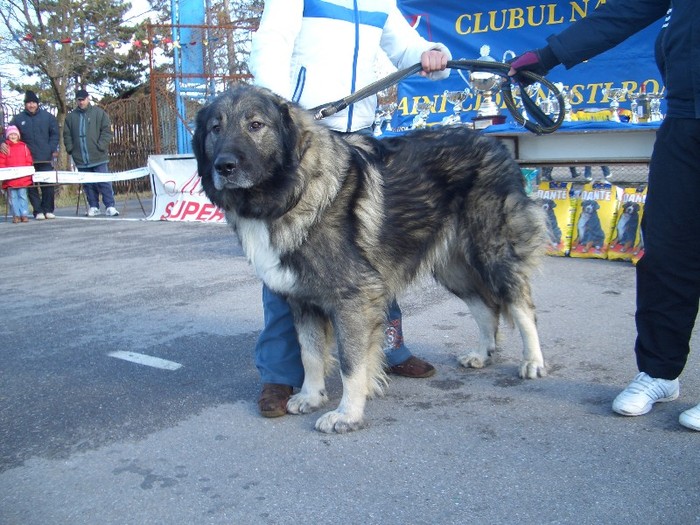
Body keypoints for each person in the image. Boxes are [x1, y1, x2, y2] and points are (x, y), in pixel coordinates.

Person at [248, 0, 451, 417]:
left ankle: (390, 352)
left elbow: (406, 48)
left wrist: (433, 55)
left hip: (359, 135)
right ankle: (281, 373)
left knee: (374, 252)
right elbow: (270, 43)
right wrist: (283, 115)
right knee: (286, 261)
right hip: (306, 136)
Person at [509, 1, 700, 431]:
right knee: (667, 252)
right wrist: (549, 55)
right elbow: (628, 9)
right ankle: (659, 373)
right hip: (685, 116)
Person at [1, 90, 59, 220]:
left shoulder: (48, 117)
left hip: (44, 157)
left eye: (33, 102)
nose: (31, 105)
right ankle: (37, 211)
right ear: (25, 104)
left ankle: (48, 209)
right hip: (26, 160)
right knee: (31, 186)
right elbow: (8, 133)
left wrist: (50, 149)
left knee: (47, 185)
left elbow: (55, 135)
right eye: (28, 103)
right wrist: (2, 143)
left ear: (37, 103)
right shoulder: (18, 118)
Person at [63, 89, 118, 217]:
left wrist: (101, 145)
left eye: (83, 99)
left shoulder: (99, 113)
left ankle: (110, 206)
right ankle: (93, 206)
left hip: (98, 156)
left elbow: (107, 131)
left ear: (88, 99)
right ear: (76, 100)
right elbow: (67, 135)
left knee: (104, 181)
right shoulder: (71, 117)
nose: (81, 102)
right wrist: (71, 149)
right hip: (81, 158)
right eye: (79, 100)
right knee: (88, 185)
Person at [0, 125, 34, 223]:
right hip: (10, 179)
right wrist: (4, 173)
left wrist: (27, 172)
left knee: (23, 196)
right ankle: (16, 215)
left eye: (15, 134)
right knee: (12, 198)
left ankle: (24, 214)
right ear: (7, 136)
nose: (13, 136)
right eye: (11, 134)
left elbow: (28, 160)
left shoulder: (23, 146)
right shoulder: (5, 148)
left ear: (18, 136)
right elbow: (1, 162)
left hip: (22, 178)